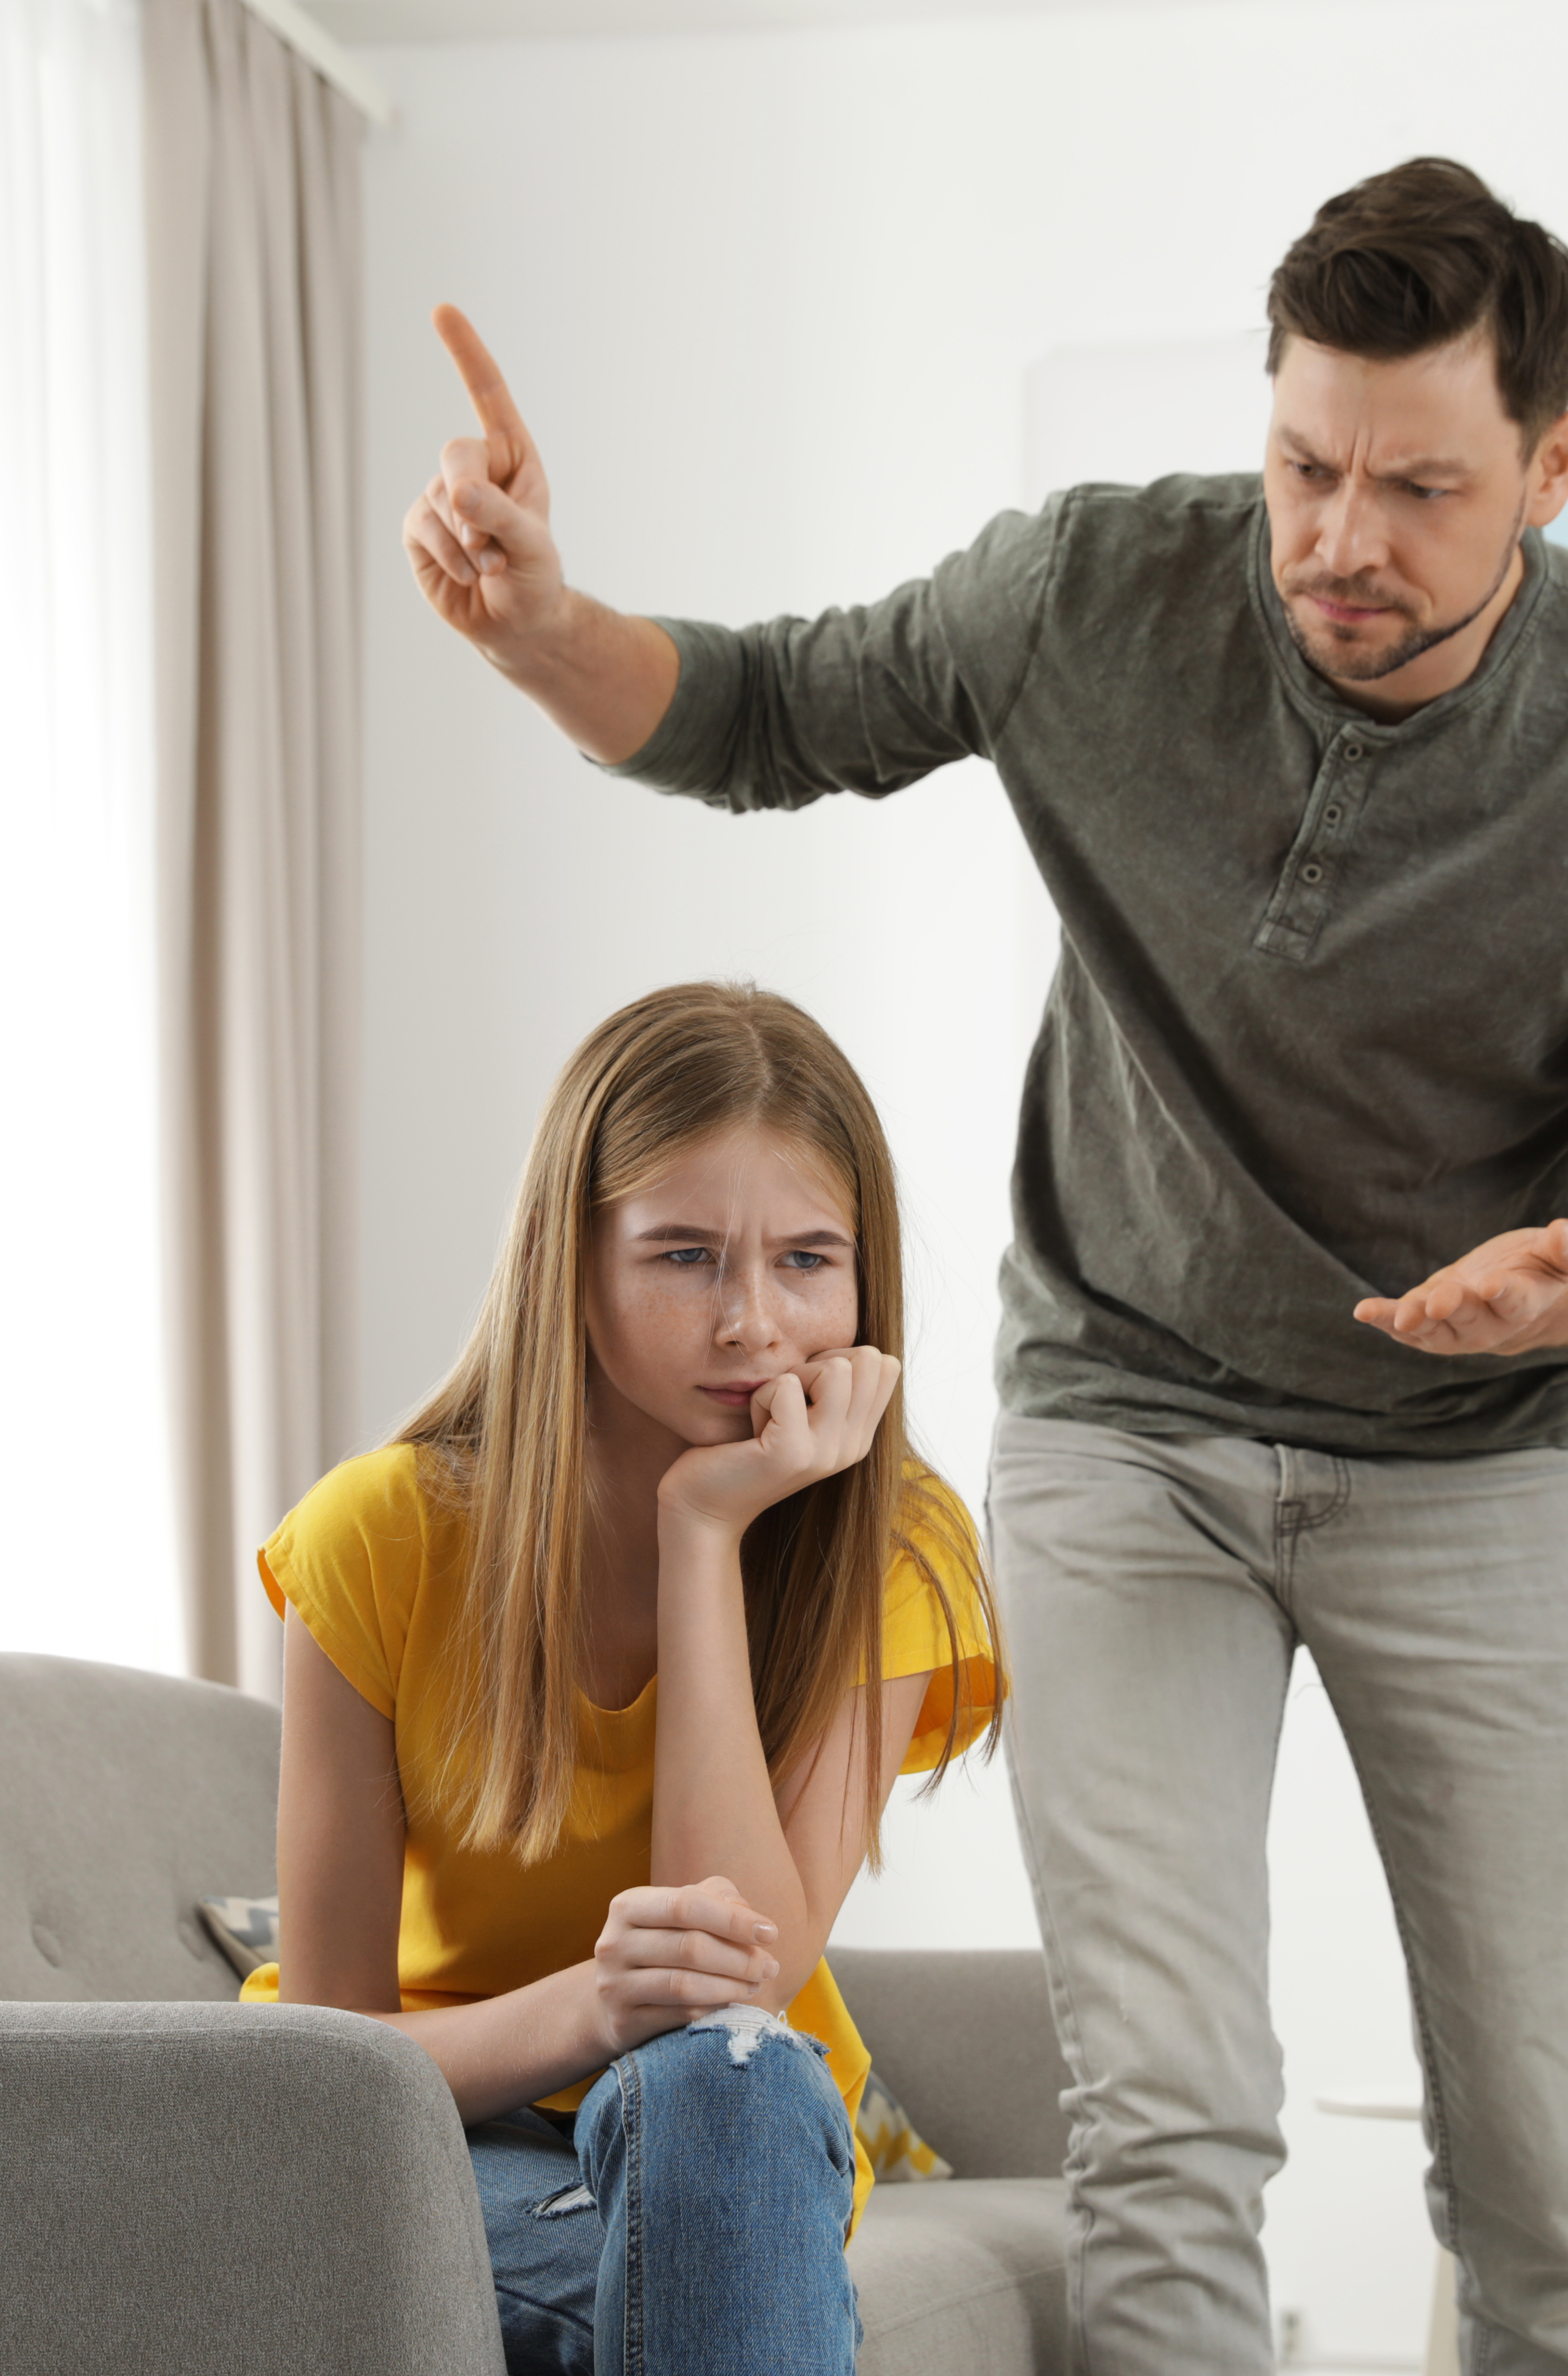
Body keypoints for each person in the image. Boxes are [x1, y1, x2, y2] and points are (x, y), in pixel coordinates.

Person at [397, 159, 1568, 2376]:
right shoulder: (1090, 592)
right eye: (1304, 466)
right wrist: (544, 626)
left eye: (1424, 489)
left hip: (1481, 1460)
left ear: (1555, 463)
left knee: (1544, 2153)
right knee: (1165, 2120)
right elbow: (771, 714)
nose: (1344, 541)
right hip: (1121, 1435)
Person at [249, 980, 1006, 2376]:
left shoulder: (895, 1544)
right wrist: (588, 2010)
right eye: (683, 1257)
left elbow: (739, 1986)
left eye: (807, 1261)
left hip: (736, 2134)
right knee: (696, 2280)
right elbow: (330, 2058)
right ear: (571, 1262)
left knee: (729, 2082)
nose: (754, 1326)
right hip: (431, 2130)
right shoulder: (380, 1537)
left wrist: (703, 1531)